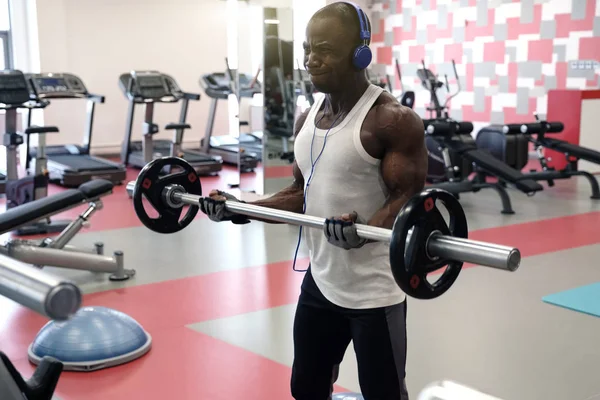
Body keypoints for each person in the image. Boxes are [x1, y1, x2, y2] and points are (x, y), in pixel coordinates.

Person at [199, 2, 427, 399]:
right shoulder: (308, 118)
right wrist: (239, 208)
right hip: (320, 282)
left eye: (324, 48)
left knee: (384, 393)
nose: (310, 59)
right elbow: (299, 194)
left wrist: (365, 230)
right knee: (305, 387)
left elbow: (408, 197)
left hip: (374, 292)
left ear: (360, 54)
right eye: (307, 49)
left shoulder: (390, 120)